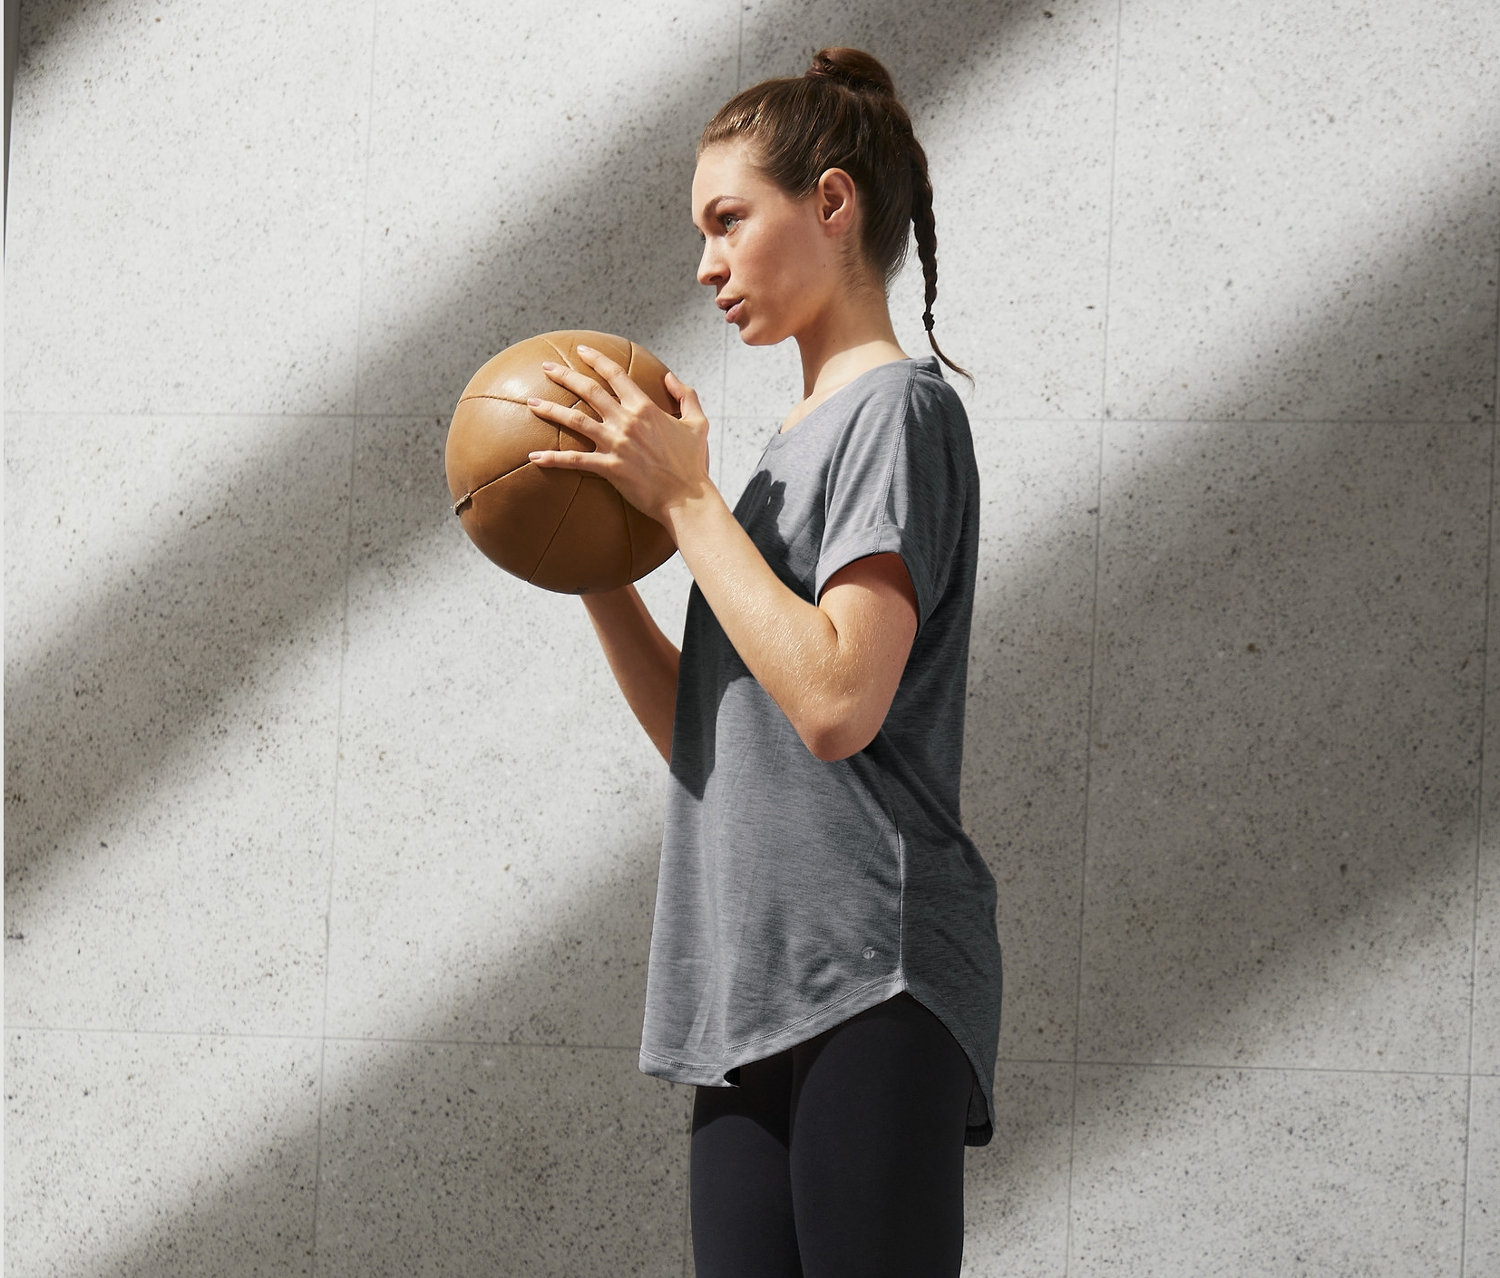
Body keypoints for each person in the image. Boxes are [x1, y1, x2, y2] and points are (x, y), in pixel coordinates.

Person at [524, 46, 1002, 1277]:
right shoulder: (777, 460)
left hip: (872, 968)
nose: (705, 263)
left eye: (729, 220)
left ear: (831, 203)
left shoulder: (898, 413)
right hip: (746, 986)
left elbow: (838, 702)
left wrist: (686, 504)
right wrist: (596, 566)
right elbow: (711, 738)